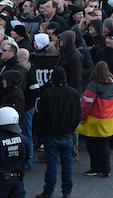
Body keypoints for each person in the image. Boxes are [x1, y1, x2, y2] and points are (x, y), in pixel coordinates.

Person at [33, 67, 81, 198]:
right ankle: (67, 192)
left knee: (51, 164)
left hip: (51, 134)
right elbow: (78, 114)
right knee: (67, 164)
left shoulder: (47, 93)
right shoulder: (73, 93)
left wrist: (40, 132)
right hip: (67, 134)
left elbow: (41, 115)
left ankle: (48, 190)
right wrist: (71, 128)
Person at [76, 61, 113, 177]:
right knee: (104, 143)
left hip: (94, 120)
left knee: (92, 144)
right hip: (110, 119)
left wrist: (81, 117)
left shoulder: (93, 86)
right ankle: (106, 168)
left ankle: (95, 167)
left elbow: (86, 104)